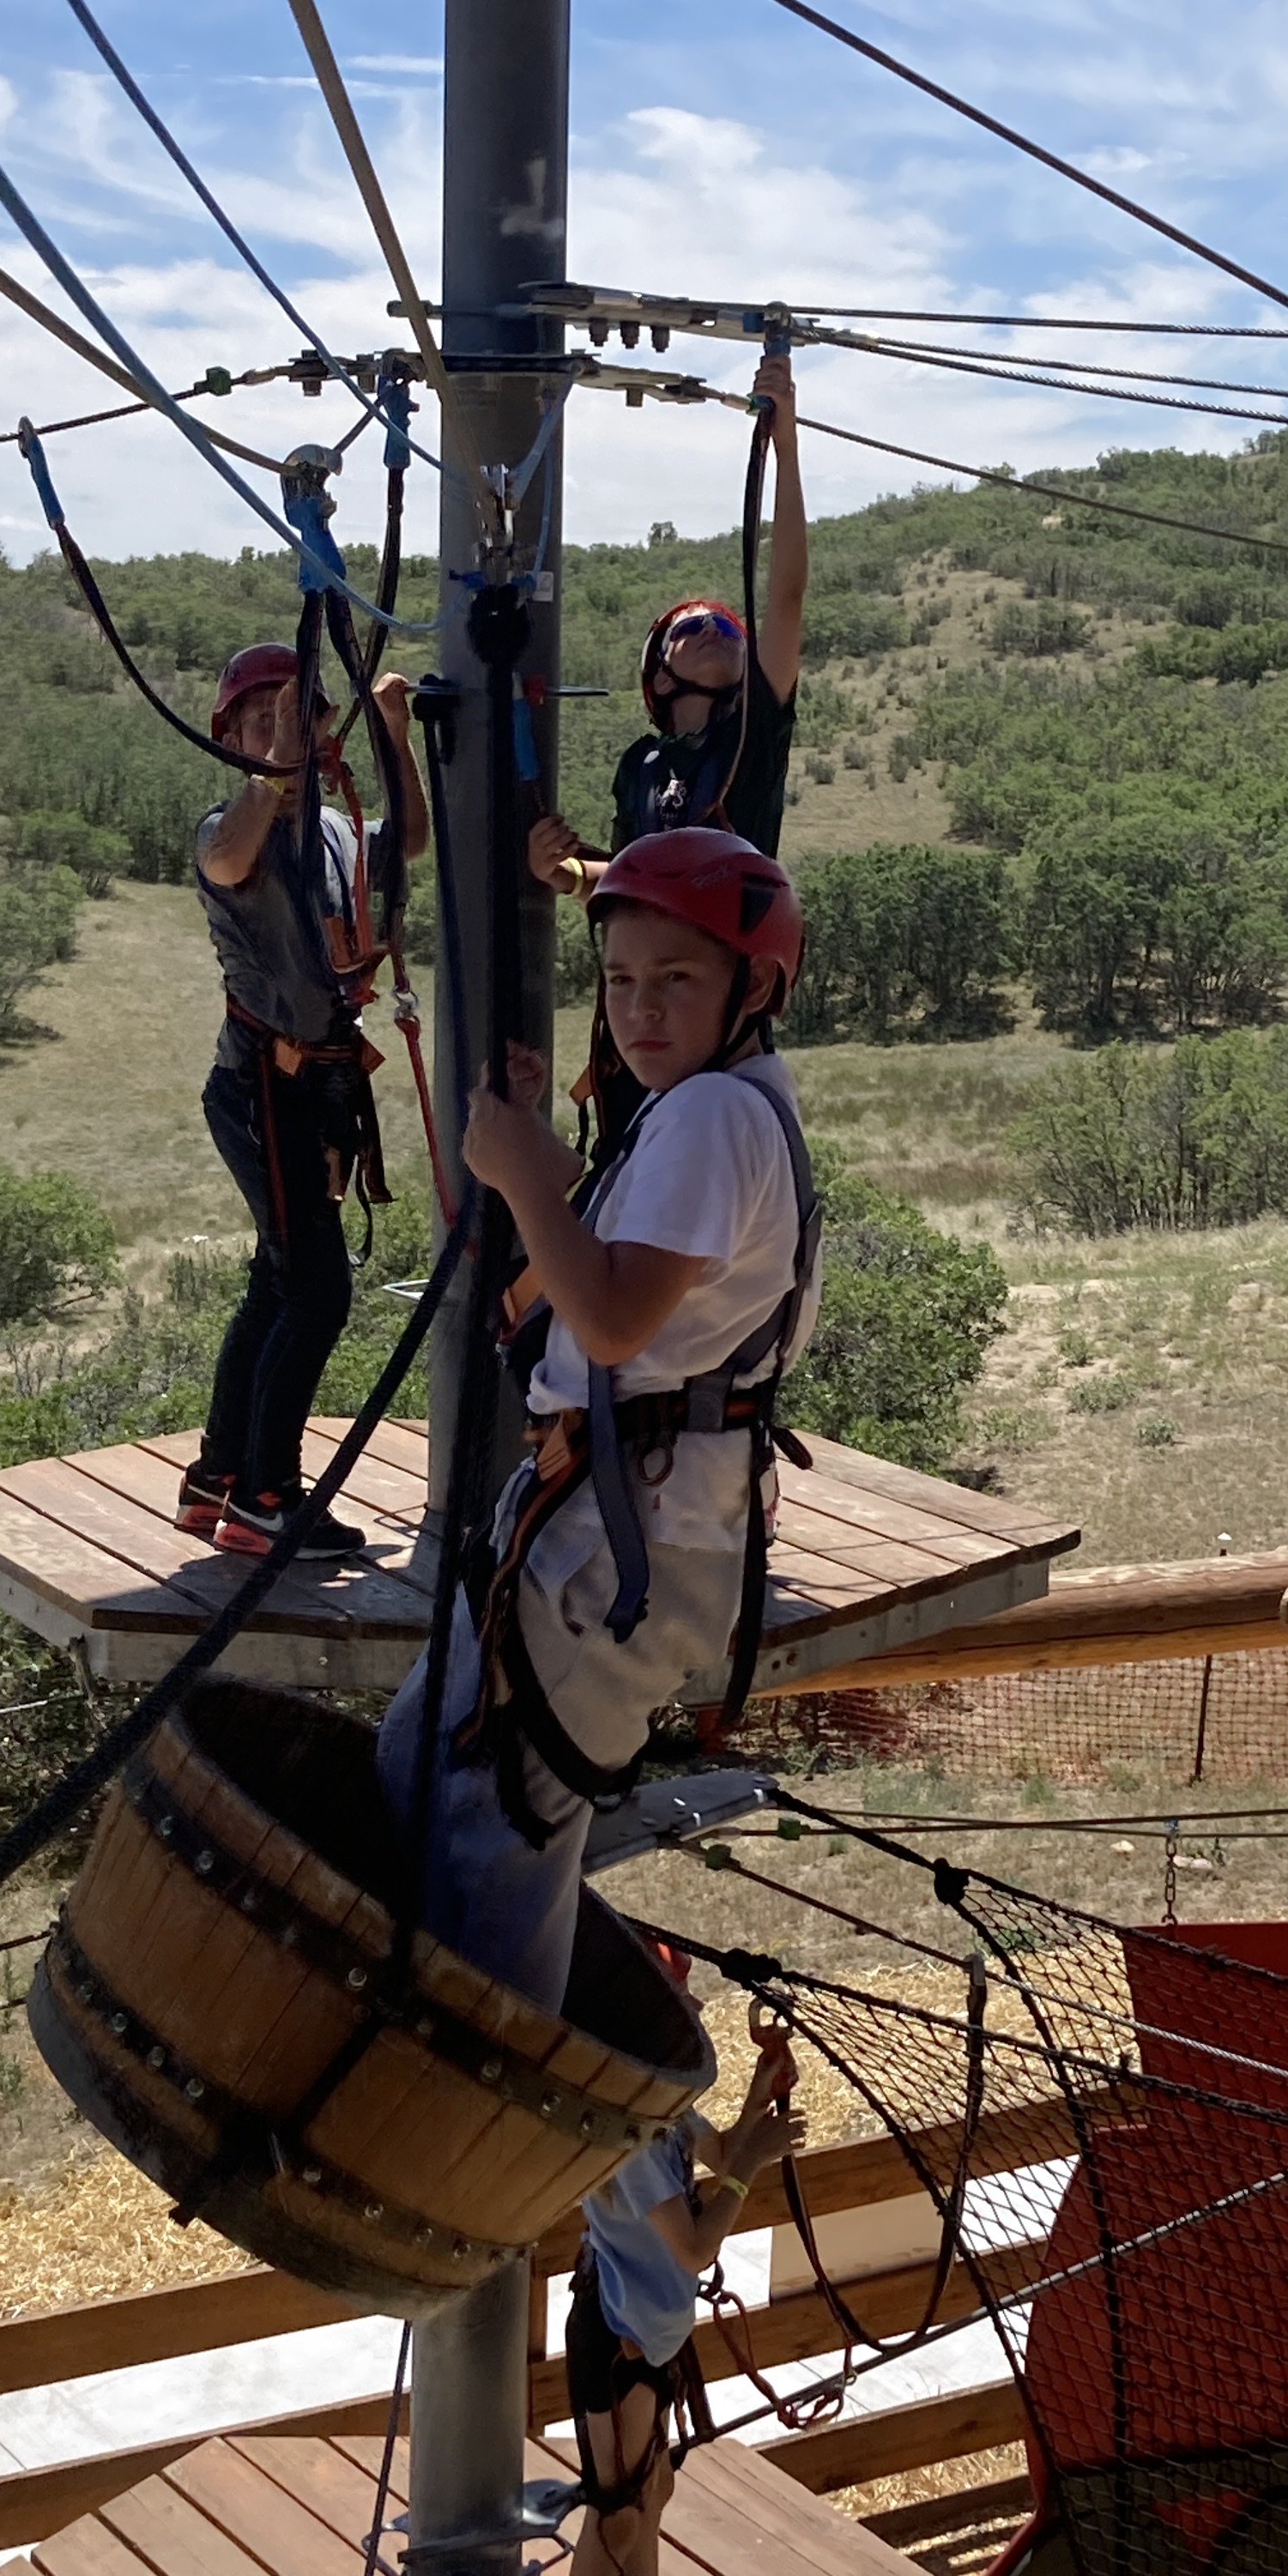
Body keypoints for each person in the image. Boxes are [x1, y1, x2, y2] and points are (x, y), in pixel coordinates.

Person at [372, 821, 820, 2018]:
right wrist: (544, 1153)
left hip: (619, 1536)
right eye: (620, 981)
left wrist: (522, 1175)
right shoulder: (723, 1106)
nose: (640, 1009)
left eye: (677, 978)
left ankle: (471, 2102)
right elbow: (632, 1270)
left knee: (494, 1823)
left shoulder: (711, 1115)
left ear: (753, 988)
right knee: (443, 1772)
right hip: (625, 1515)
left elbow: (616, 1319)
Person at [175, 641, 427, 1561]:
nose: (280, 731)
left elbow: (404, 842)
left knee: (279, 1279)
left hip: (304, 1086)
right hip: (261, 1086)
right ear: (233, 737)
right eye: (261, 717)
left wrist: (394, 735)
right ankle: (267, 1495)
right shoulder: (229, 825)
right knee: (315, 1289)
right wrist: (280, 768)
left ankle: (218, 1478)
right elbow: (230, 859)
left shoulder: (328, 828)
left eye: (299, 713)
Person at [525, 348, 808, 1148]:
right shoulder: (642, 768)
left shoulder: (750, 738)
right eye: (690, 628)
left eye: (726, 627)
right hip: (642, 1019)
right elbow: (632, 878)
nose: (715, 628)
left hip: (715, 1002)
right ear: (659, 676)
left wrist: (786, 446)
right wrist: (568, 870)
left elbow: (785, 593)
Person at [556, 2011, 798, 2576]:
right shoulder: (625, 2143)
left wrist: (757, 2102)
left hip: (649, 2340)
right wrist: (748, 2170)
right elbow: (696, 2243)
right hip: (619, 2340)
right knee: (614, 2518)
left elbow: (718, 2149)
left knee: (649, 2494)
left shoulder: (662, 2113)